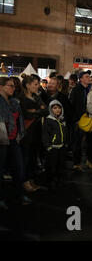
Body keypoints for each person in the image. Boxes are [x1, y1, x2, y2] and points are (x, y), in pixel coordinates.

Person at [0, 77, 31, 206]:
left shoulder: (15, 102)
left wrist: (19, 134)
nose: (13, 88)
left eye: (14, 86)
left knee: (19, 168)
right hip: (1, 141)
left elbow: (20, 121)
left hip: (14, 139)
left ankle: (20, 194)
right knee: (0, 170)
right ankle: (1, 198)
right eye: (10, 86)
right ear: (1, 87)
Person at [19, 74, 47, 192]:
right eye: (35, 84)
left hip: (36, 131)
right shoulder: (21, 98)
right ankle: (24, 182)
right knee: (26, 158)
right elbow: (26, 114)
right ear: (27, 85)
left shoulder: (36, 96)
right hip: (27, 132)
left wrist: (36, 111)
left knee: (33, 158)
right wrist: (38, 111)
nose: (38, 86)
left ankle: (31, 180)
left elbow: (45, 110)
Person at [70, 71, 92, 171]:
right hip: (79, 119)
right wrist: (75, 119)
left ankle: (90, 160)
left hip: (90, 119)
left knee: (91, 141)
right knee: (78, 142)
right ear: (81, 79)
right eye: (86, 77)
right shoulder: (76, 90)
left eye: (89, 77)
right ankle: (77, 163)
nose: (89, 78)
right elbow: (72, 105)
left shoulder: (91, 90)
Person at [42, 100, 69, 190]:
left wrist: (65, 143)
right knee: (52, 166)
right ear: (51, 109)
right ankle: (51, 182)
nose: (57, 110)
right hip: (52, 148)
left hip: (61, 147)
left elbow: (65, 133)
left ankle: (59, 180)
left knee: (60, 165)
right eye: (55, 108)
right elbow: (45, 134)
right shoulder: (49, 120)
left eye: (59, 108)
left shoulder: (62, 119)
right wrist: (48, 146)